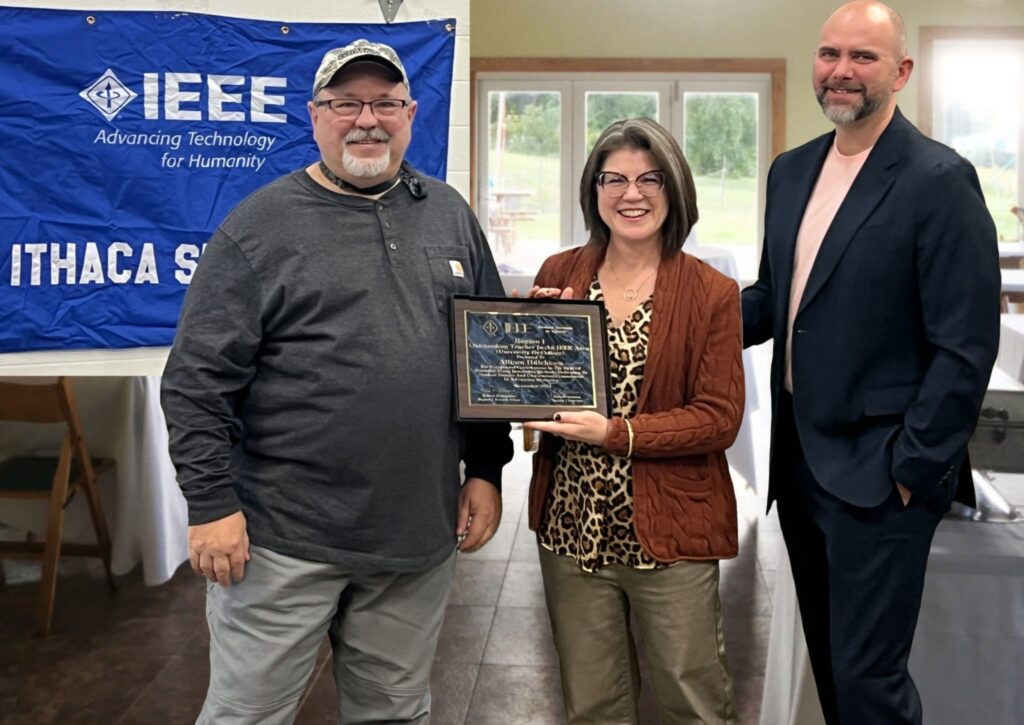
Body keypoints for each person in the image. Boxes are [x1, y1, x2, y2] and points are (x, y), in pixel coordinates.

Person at [160, 39, 512, 724]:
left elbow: (486, 353)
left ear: (411, 113)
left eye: (385, 102)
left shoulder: (448, 214)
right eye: (346, 103)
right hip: (281, 539)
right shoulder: (258, 226)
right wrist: (209, 502)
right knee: (246, 714)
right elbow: (197, 380)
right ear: (315, 115)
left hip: (414, 537)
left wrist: (487, 466)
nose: (367, 119)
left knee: (393, 712)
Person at [741, 3, 1000, 723]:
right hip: (798, 464)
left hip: (882, 475)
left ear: (901, 71)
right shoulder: (791, 172)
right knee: (832, 668)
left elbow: (965, 346)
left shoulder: (938, 180)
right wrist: (669, 317)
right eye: (830, 55)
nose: (841, 72)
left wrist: (914, 470)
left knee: (869, 682)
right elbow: (772, 299)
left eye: (863, 57)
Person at [524, 117, 745, 725]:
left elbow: (719, 418)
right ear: (594, 192)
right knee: (592, 705)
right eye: (614, 179)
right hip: (570, 530)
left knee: (692, 701)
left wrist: (618, 433)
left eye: (650, 178)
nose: (632, 193)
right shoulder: (558, 275)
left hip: (669, 536)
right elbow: (530, 396)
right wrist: (528, 347)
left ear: (674, 190)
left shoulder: (711, 293)